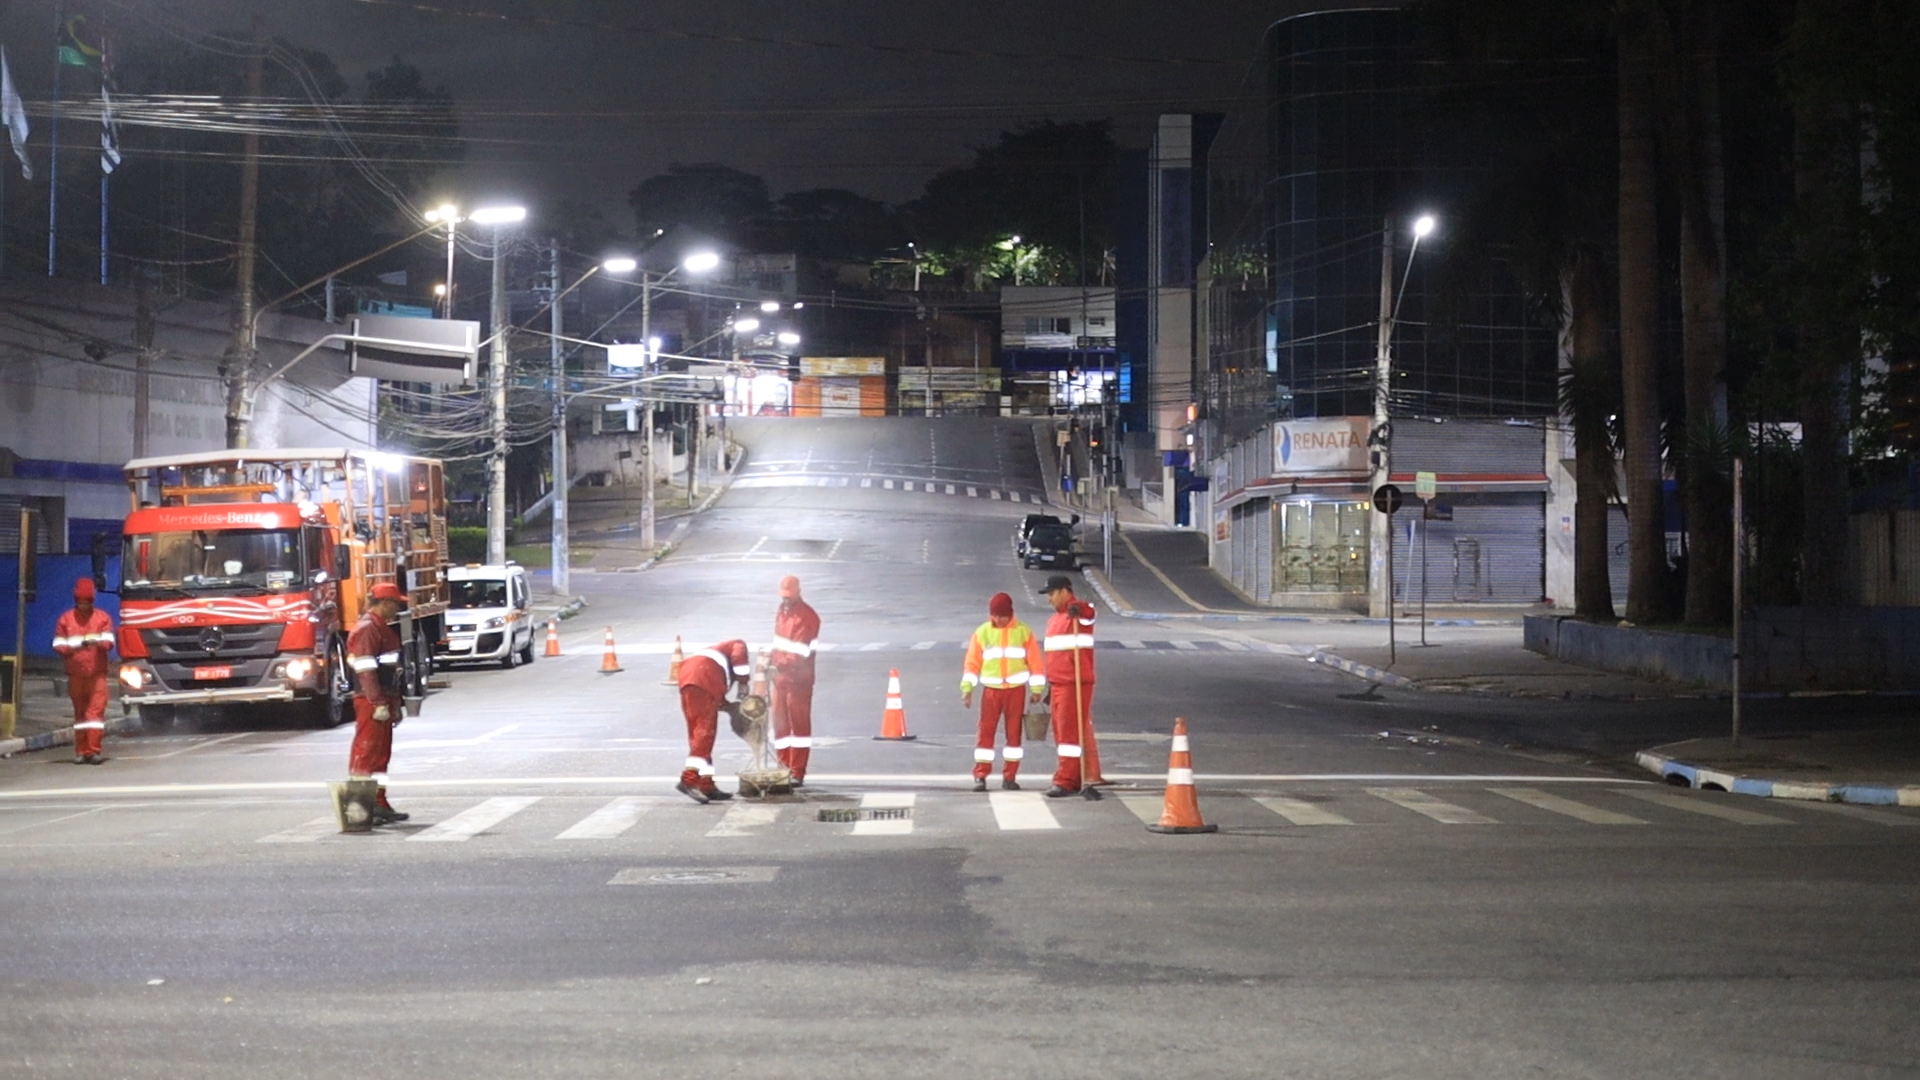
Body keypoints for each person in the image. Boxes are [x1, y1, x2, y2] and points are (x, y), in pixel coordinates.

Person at [960, 591, 1043, 792]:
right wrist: (967, 689)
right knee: (985, 734)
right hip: (991, 691)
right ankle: (980, 775)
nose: (998, 619)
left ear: (1010, 613)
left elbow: (1035, 663)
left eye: (1002, 615)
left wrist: (1036, 688)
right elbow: (972, 664)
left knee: (1013, 736)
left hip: (1016, 691)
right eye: (995, 615)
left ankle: (1010, 777)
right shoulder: (982, 633)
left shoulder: (1023, 632)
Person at [347, 581, 411, 824]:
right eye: (395, 604)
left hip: (381, 698)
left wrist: (392, 703)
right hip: (371, 701)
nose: (397, 610)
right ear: (385, 603)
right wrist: (377, 703)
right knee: (367, 752)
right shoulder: (368, 629)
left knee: (380, 755)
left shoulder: (376, 626)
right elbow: (365, 669)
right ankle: (360, 808)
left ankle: (378, 802)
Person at [1038, 574, 1104, 797]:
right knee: (1061, 733)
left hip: (1074, 682)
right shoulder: (1055, 620)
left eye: (1051, 593)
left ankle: (1065, 780)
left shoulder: (1078, 613)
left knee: (1068, 733)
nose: (1049, 599)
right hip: (1059, 683)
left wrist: (1078, 607)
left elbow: (1089, 614)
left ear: (1064, 591)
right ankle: (1072, 776)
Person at [676, 639, 751, 803]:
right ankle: (689, 779)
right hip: (702, 679)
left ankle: (706, 784)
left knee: (697, 734)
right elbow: (740, 658)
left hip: (690, 680)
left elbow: (716, 699)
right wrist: (744, 683)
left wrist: (731, 708)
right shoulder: (737, 644)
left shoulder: (715, 659)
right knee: (705, 733)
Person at [52, 578, 115, 765]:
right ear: (76, 600)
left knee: (94, 714)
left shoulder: (102, 618)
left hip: (97, 674)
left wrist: (98, 642)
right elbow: (58, 644)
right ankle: (81, 751)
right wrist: (80, 645)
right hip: (76, 674)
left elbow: (109, 642)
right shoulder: (66, 619)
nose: (84, 605)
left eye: (87, 602)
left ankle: (93, 750)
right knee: (80, 714)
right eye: (81, 601)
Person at [768, 575, 821, 784]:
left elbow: (799, 654)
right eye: (783, 596)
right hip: (781, 679)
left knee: (798, 726)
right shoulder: (782, 612)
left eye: (789, 596)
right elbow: (779, 642)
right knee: (780, 724)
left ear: (798, 593)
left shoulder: (807, 618)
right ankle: (783, 766)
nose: (786, 600)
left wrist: (776, 663)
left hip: (799, 680)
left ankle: (797, 771)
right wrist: (771, 659)